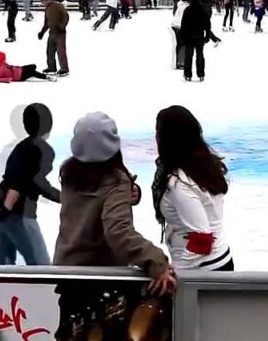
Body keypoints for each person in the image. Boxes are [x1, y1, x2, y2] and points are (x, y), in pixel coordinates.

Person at [53, 112, 177, 294]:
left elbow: (88, 206)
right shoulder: (114, 180)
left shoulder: (70, 173)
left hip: (68, 272)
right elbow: (117, 230)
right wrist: (156, 261)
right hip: (102, 279)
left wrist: (127, 193)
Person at [0, 103, 61, 265]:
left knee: (4, 270)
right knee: (40, 268)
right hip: (16, 213)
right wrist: (64, 198)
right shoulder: (43, 150)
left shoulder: (20, 147)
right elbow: (33, 182)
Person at [152, 105, 233, 271]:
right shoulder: (204, 166)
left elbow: (201, 240)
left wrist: (176, 272)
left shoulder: (179, 184)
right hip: (221, 259)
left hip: (203, 269)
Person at [180, 0, 221, 82]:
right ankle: (201, 74)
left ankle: (187, 74)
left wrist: (183, 36)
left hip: (189, 36)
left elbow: (183, 25)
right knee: (200, 55)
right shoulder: (202, 10)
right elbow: (207, 24)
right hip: (199, 36)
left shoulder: (187, 10)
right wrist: (207, 36)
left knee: (188, 56)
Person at [39, 0, 69, 77]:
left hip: (60, 32)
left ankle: (64, 68)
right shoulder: (47, 8)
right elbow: (46, 22)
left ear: (46, 0)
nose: (42, 3)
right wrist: (42, 32)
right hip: (52, 32)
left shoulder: (58, 5)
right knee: (50, 51)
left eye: (42, 1)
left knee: (61, 51)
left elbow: (66, 16)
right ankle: (51, 67)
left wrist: (61, 26)